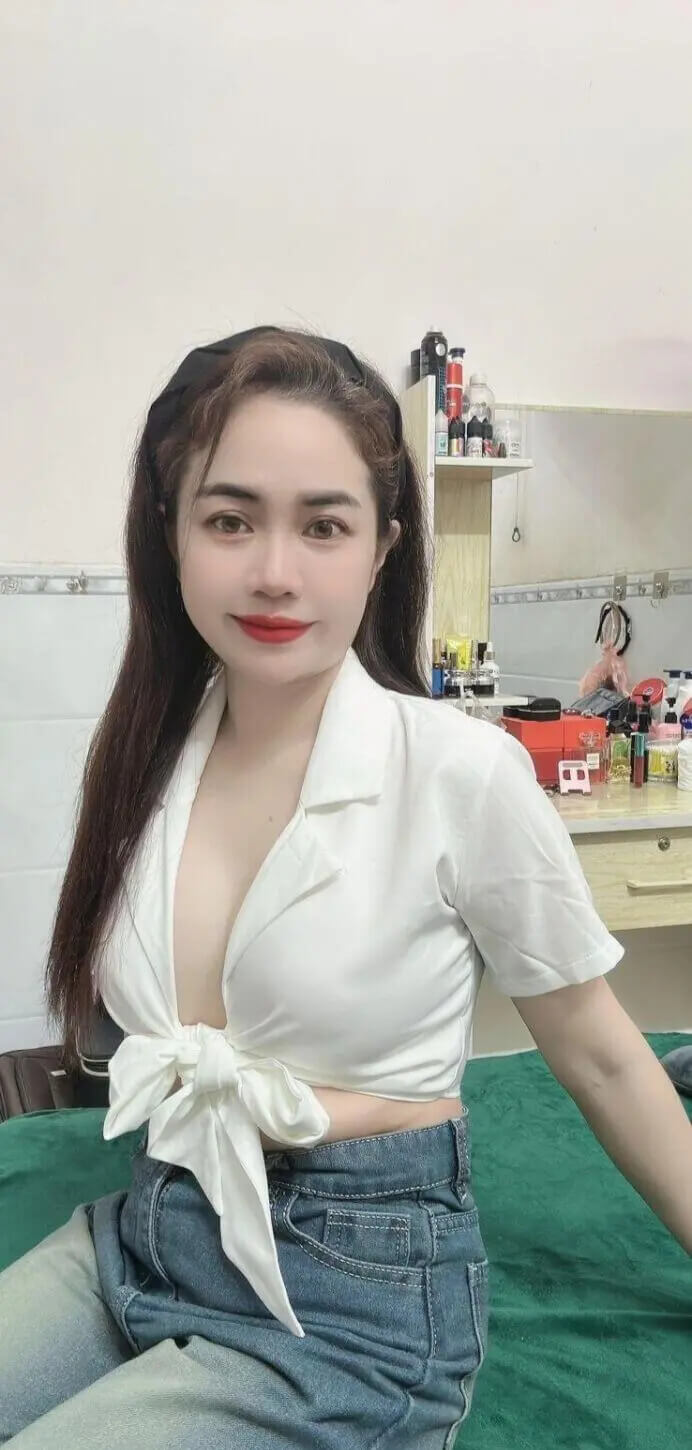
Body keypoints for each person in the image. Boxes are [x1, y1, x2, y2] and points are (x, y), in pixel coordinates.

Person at [1, 326, 690, 1448]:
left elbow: (605, 1055)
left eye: (323, 525)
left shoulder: (460, 771)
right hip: (148, 1229)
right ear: (170, 533)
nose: (275, 570)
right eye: (230, 520)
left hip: (351, 1302)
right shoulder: (144, 762)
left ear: (381, 548)